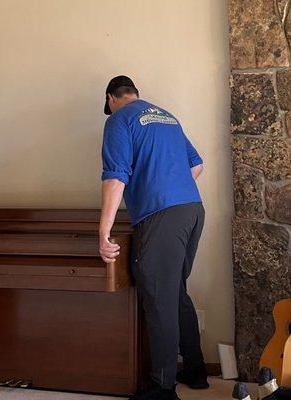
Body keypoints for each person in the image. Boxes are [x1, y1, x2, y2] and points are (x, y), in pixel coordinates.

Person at [98, 76, 208, 400]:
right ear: (135, 94)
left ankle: (164, 387)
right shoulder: (167, 116)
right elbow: (197, 165)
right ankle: (197, 370)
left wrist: (103, 232)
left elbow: (116, 178)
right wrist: (170, 184)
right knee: (174, 293)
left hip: (163, 216)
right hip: (192, 209)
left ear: (110, 98)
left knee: (159, 299)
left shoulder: (119, 120)